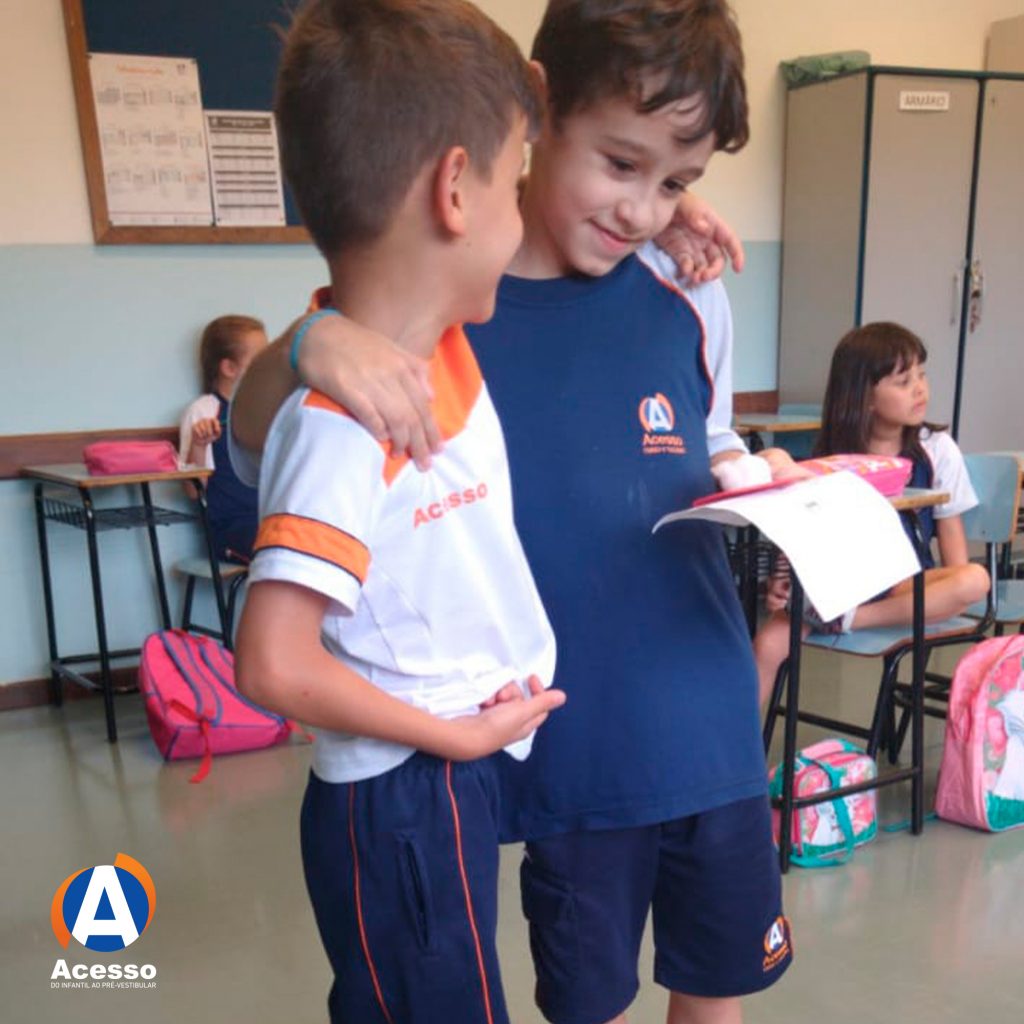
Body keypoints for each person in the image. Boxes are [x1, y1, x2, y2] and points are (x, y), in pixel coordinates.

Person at [233, 4, 794, 1024]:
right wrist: (312, 340)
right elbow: (254, 440)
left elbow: (702, 446)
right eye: (620, 163)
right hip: (556, 743)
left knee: (718, 987)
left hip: (703, 715)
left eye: (677, 182)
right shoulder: (441, 304)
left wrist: (760, 481)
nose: (644, 210)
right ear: (536, 107)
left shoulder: (682, 286)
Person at [232, 3, 565, 1023]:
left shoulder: (439, 348)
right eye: (517, 184)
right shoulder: (341, 423)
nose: (526, 219)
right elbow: (271, 664)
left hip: (438, 771)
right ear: (455, 189)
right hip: (402, 788)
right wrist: (448, 739)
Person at [753, 321, 990, 704]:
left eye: (922, 375)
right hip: (839, 586)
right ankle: (742, 746)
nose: (920, 389)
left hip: (902, 586)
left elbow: (955, 556)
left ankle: (850, 620)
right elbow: (805, 536)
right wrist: (783, 582)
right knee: (767, 645)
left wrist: (948, 591)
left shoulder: (937, 449)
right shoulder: (830, 456)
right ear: (864, 397)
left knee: (974, 579)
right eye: (903, 381)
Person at [178, 314, 266, 562]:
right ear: (229, 368)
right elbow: (193, 492)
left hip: (272, 519)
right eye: (260, 358)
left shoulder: (265, 409)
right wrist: (199, 445)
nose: (267, 366)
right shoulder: (203, 411)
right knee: (291, 554)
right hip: (231, 530)